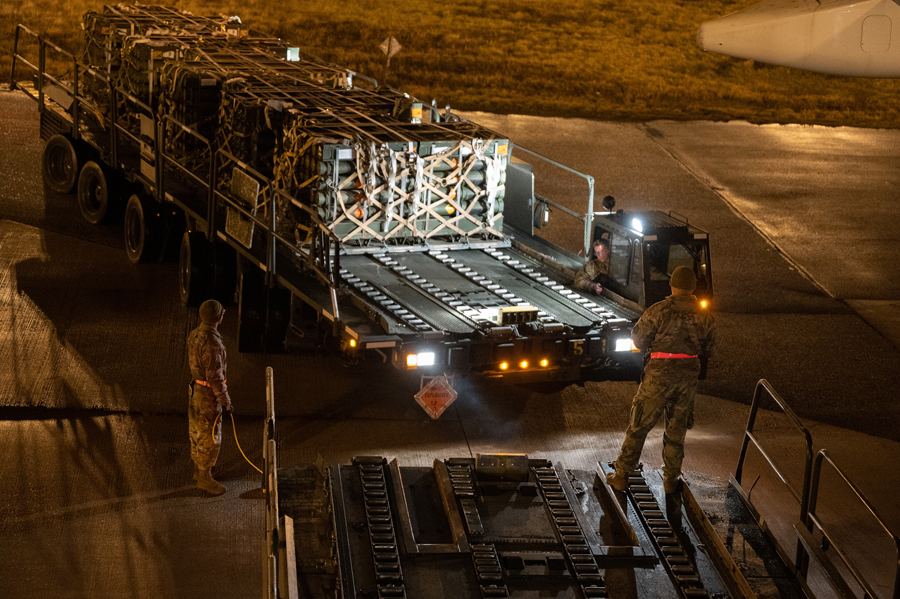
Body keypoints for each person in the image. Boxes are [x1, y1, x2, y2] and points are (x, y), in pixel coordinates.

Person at [605, 266, 717, 494]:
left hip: (658, 376)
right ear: (693, 287)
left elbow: (637, 339)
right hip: (687, 379)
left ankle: (622, 475)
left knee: (639, 426)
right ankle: (671, 479)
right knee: (676, 431)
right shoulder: (705, 315)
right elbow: (711, 349)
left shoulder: (659, 310)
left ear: (672, 285)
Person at [187, 299, 233, 495]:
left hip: (195, 389)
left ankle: (199, 471)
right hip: (208, 395)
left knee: (197, 432)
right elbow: (215, 377)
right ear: (218, 318)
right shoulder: (212, 343)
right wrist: (225, 400)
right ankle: (205, 478)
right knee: (209, 437)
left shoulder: (195, 334)